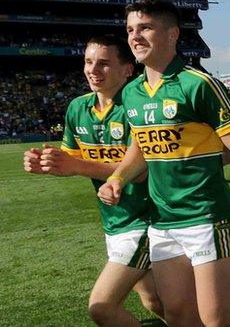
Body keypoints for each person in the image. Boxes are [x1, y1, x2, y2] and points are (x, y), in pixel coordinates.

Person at [97, 0, 230, 327]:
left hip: (207, 216)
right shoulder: (132, 92)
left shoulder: (199, 84)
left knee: (218, 318)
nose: (135, 36)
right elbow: (140, 145)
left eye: (145, 28)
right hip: (163, 221)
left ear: (172, 34)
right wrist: (118, 179)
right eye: (130, 30)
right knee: (179, 316)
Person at [23, 35, 163, 326]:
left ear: (127, 69)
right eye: (88, 62)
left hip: (147, 220)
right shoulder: (78, 108)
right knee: (156, 302)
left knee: (102, 307)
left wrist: (77, 165)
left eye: (104, 64)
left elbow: (143, 168)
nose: (93, 70)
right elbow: (72, 161)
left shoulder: (138, 106)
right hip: (114, 221)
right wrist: (47, 163)